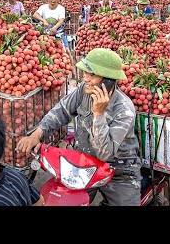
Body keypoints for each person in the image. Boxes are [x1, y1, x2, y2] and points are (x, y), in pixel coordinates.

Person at [16, 48, 142, 206]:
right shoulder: (84, 90)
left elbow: (105, 154)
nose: (85, 78)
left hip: (119, 171)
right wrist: (37, 134)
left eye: (92, 75)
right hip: (84, 165)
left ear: (108, 81)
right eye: (85, 73)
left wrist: (98, 115)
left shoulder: (124, 109)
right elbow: (62, 110)